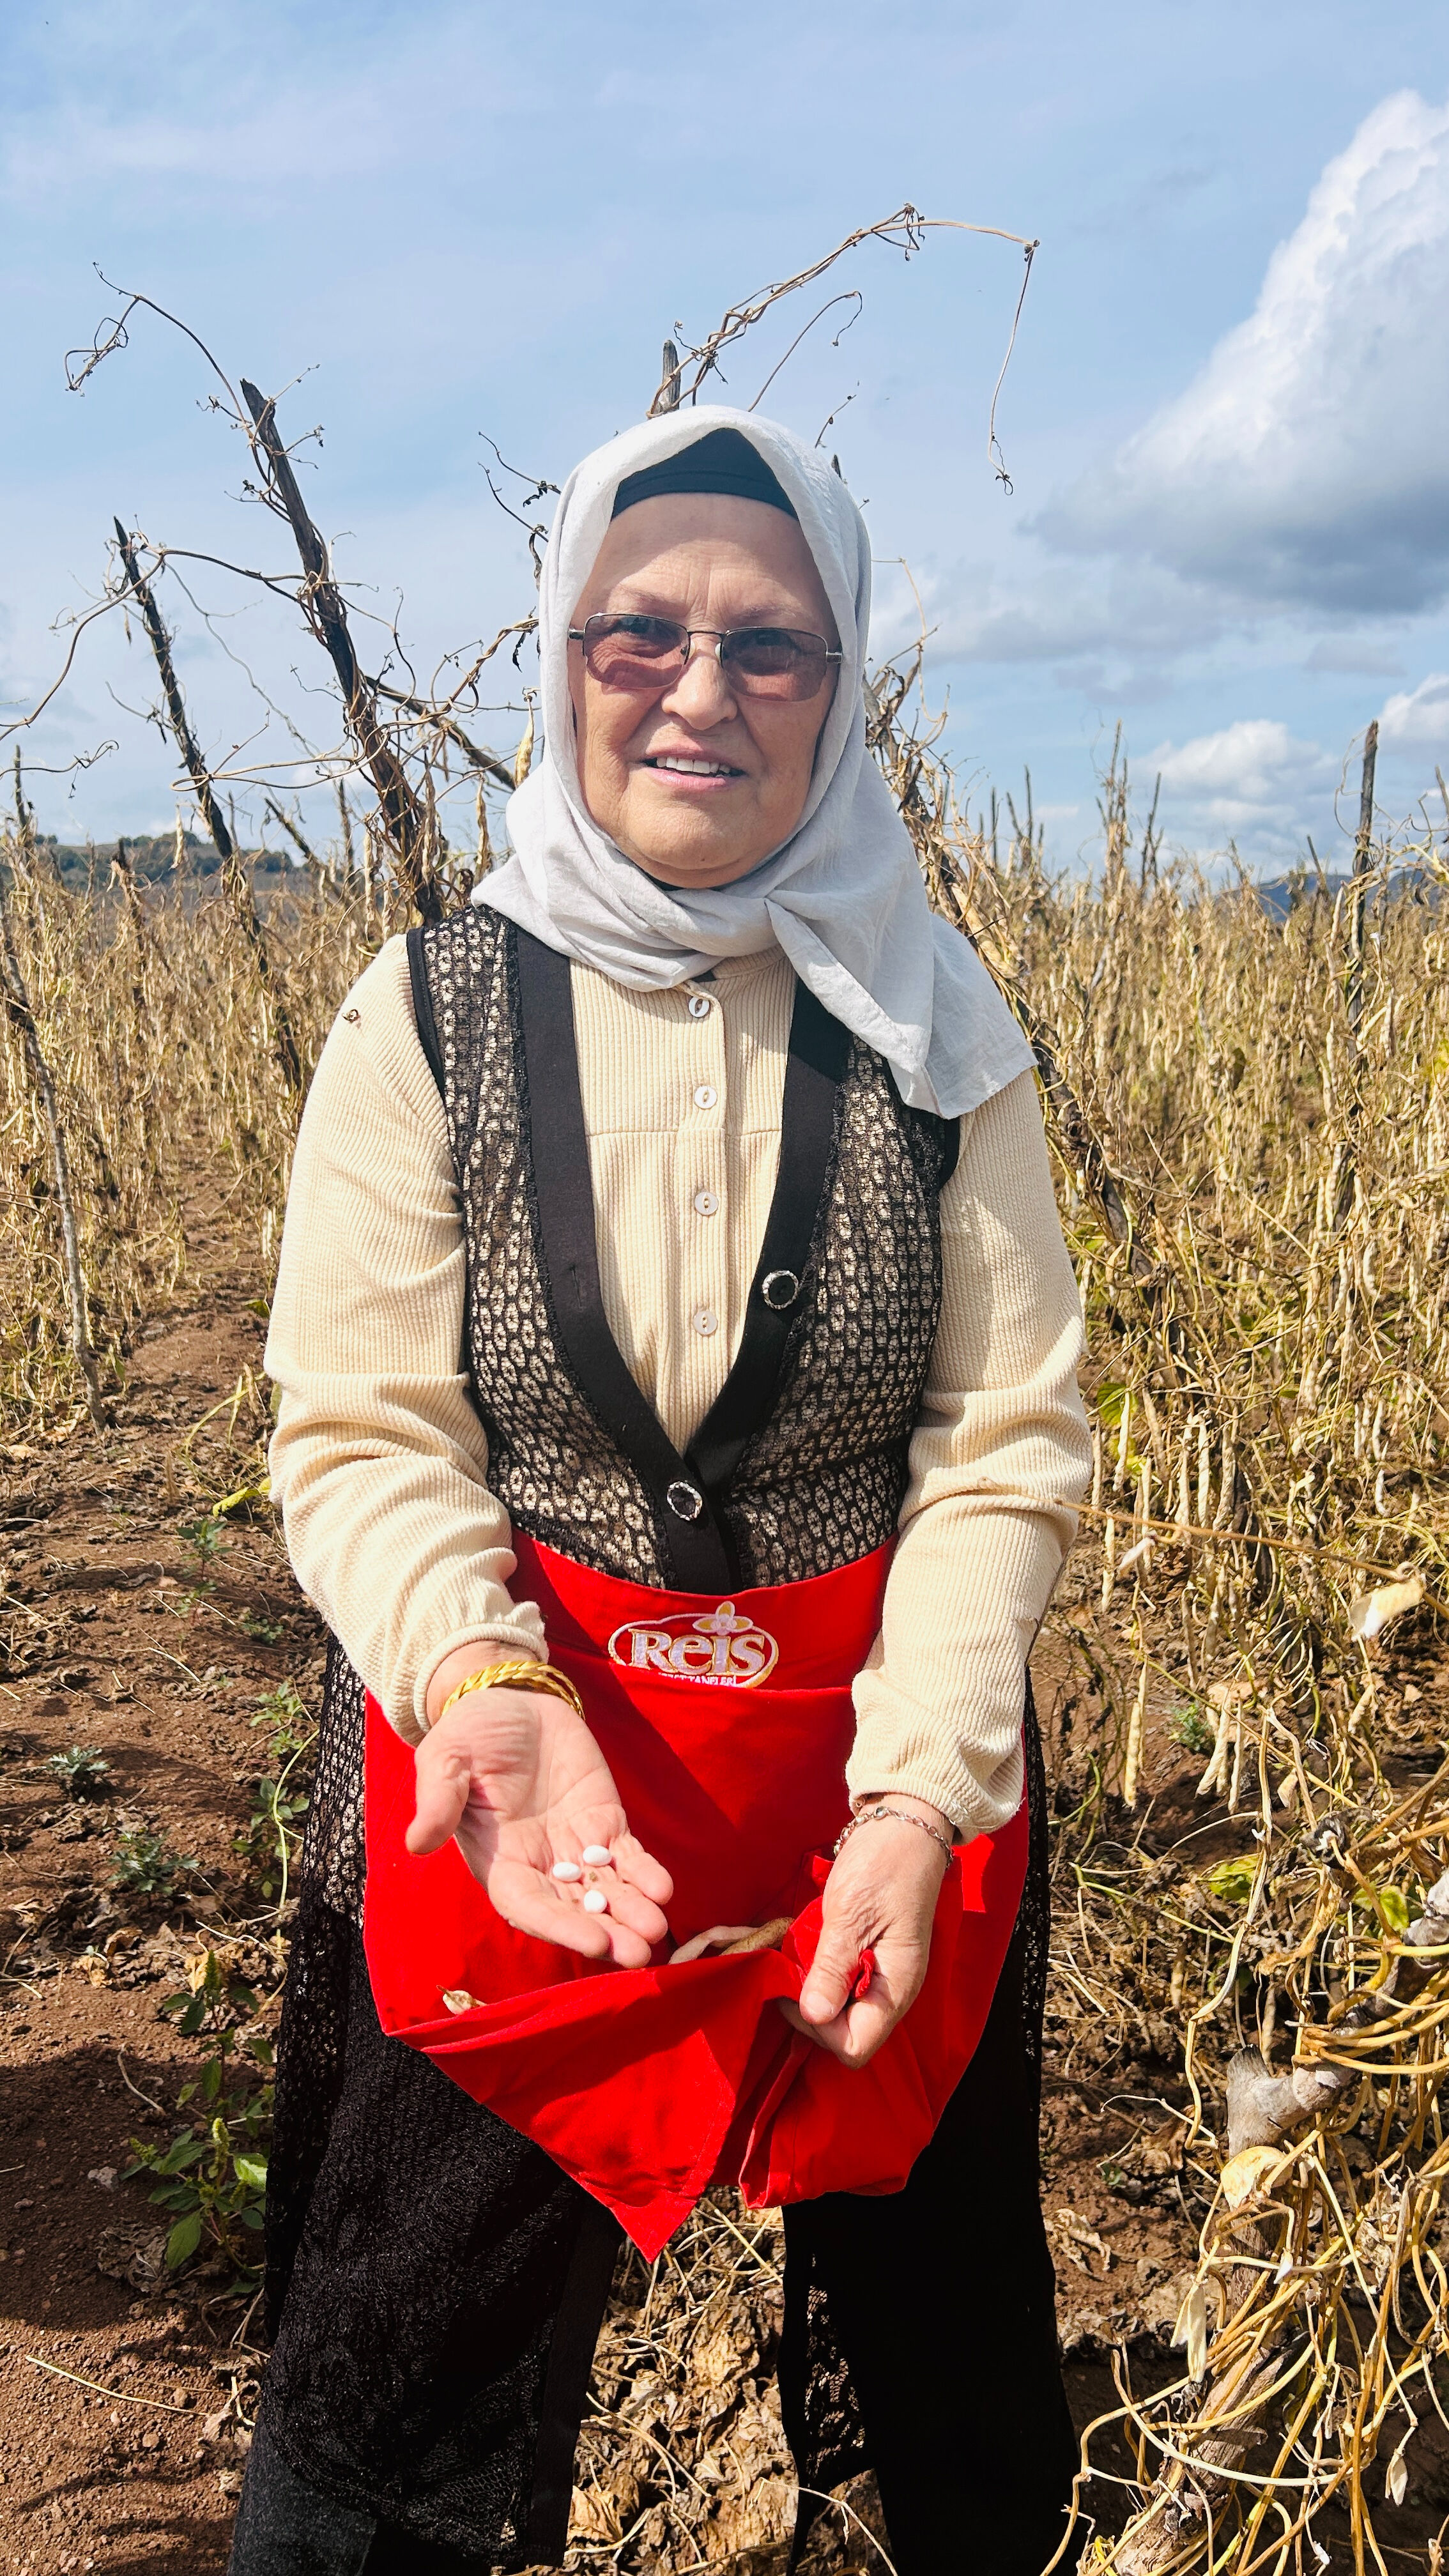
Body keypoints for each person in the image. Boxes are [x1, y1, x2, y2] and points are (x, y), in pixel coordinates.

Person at [229, 410, 1092, 2576]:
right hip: (516, 1800)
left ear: (841, 679)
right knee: (395, 2360)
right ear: (562, 655)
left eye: (768, 647)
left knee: (947, 2353)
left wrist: (918, 1796)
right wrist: (476, 1685)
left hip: (871, 1784)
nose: (698, 692)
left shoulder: (938, 1037)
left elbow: (1000, 1451)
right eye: (642, 633)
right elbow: (360, 1423)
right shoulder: (424, 1014)